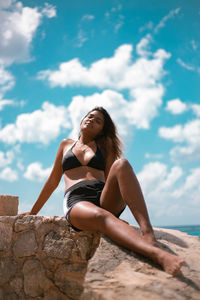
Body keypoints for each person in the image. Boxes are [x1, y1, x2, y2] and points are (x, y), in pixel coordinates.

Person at [23, 106, 184, 276]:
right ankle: (160, 256)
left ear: (102, 130)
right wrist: (33, 212)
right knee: (101, 216)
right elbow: (52, 181)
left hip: (103, 197)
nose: (92, 120)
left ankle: (148, 234)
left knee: (122, 164)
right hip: (77, 200)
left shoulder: (105, 145)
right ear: (83, 119)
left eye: (98, 121)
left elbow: (111, 177)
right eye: (90, 116)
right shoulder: (66, 144)